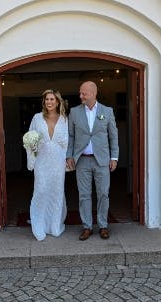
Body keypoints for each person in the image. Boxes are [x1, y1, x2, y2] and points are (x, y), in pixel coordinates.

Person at [66, 81, 119, 240]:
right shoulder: (74, 112)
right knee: (84, 195)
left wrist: (114, 157)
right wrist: (69, 155)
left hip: (102, 160)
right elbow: (71, 136)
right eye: (80, 93)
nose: (81, 96)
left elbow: (113, 136)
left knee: (103, 193)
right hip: (82, 160)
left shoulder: (107, 111)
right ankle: (87, 226)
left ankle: (103, 225)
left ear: (94, 93)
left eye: (84, 93)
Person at [25, 89, 68, 240]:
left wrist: (67, 161)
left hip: (58, 161)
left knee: (56, 192)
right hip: (41, 161)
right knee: (41, 190)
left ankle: (55, 225)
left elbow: (67, 142)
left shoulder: (64, 119)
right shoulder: (37, 118)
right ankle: (39, 225)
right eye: (46, 100)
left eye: (52, 99)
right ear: (44, 102)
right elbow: (30, 139)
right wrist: (32, 154)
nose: (49, 102)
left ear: (57, 102)